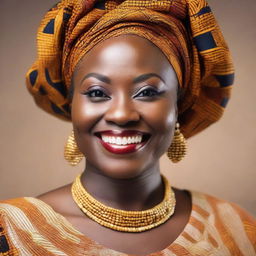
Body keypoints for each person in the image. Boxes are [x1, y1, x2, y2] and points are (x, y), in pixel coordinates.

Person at [0, 0, 255, 255]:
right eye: (98, 92)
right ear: (72, 104)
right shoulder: (10, 232)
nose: (122, 115)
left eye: (147, 92)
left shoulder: (235, 231)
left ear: (178, 105)